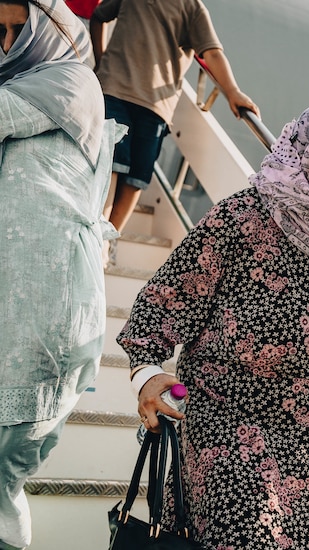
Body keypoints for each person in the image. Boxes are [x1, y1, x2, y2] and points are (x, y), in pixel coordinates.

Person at [117, 103, 309, 549]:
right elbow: (163, 301)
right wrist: (147, 375)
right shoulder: (245, 216)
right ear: (305, 152)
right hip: (229, 424)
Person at [0, 1, 122, 548]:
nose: (5, 43)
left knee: (5, 468)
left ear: (47, 30)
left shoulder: (71, 81)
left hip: (48, 301)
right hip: (14, 294)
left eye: (15, 29)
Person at [89, 0, 260, 241]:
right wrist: (100, 60)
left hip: (156, 104)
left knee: (136, 178)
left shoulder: (193, 9)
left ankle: (106, 241)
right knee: (111, 165)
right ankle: (96, 238)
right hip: (115, 88)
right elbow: (98, 16)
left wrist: (232, 91)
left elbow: (211, 52)